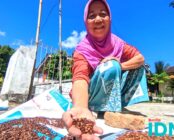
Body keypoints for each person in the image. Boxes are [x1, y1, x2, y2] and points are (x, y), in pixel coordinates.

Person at [62, 0, 149, 139]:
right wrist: (81, 107)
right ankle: (96, 108)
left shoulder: (117, 42)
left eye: (103, 14)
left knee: (137, 68)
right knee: (111, 66)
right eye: (91, 16)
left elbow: (140, 58)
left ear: (109, 18)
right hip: (90, 96)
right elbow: (80, 78)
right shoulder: (82, 50)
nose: (98, 20)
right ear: (86, 21)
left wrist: (120, 65)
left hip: (112, 88)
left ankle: (113, 106)